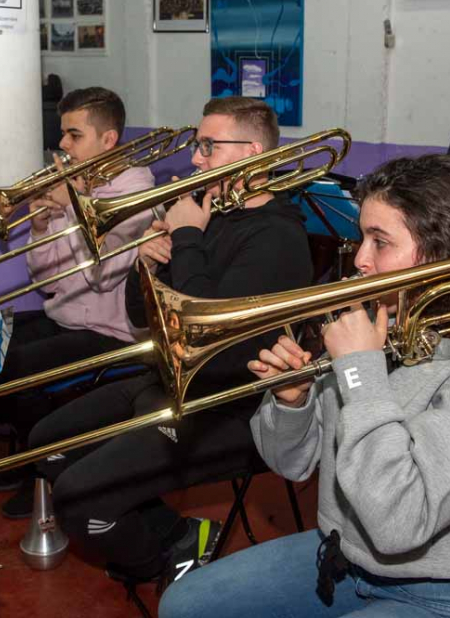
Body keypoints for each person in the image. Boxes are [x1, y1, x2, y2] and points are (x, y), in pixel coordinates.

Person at [27, 96, 313, 587]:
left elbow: (214, 339)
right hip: (169, 378)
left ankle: (157, 566)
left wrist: (185, 241)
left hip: (227, 405)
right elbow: (140, 316)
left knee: (78, 501)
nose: (196, 159)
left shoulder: (276, 237)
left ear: (250, 153)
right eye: (198, 146)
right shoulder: (209, 215)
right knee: (46, 445)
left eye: (208, 146)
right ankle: (179, 536)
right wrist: (147, 262)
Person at [158, 153, 450, 618]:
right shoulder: (376, 322)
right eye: (361, 238)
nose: (360, 259)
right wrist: (291, 402)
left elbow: (398, 523)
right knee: (183, 606)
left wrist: (359, 370)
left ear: (439, 256)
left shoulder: (370, 350)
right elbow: (293, 465)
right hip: (343, 554)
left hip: (433, 587)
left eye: (380, 242)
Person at [0, 86, 156, 519]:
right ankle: (36, 452)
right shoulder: (76, 184)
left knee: (10, 368)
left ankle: (47, 467)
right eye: (63, 133)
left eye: (74, 135)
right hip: (63, 315)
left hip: (110, 331)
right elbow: (45, 279)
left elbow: (102, 277)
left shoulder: (135, 192)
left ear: (108, 140)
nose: (62, 144)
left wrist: (74, 209)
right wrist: (41, 226)